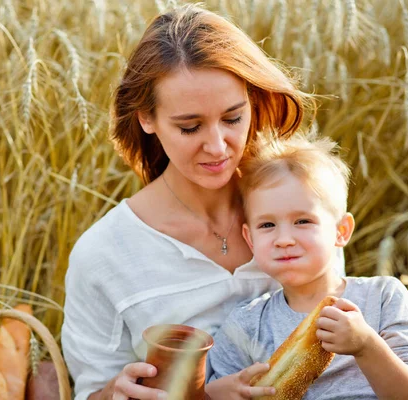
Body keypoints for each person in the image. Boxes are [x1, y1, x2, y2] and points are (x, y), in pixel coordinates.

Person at [60, 4, 328, 400]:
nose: (219, 147)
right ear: (146, 119)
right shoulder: (103, 255)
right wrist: (116, 393)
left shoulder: (300, 203)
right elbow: (89, 393)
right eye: (190, 126)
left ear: (252, 101)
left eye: (233, 118)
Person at [207, 135, 408, 399]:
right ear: (250, 239)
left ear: (341, 231)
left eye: (303, 221)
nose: (284, 240)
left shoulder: (383, 297)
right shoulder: (245, 324)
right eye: (267, 225)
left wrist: (366, 346)